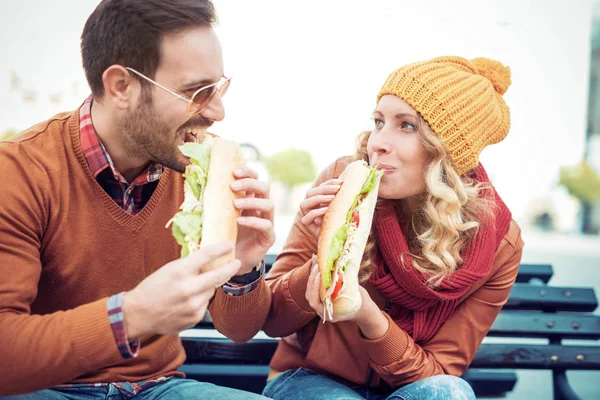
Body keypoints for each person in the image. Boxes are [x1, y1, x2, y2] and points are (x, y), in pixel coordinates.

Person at [0, 0, 274, 398]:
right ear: (121, 87)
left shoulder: (201, 166)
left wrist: (244, 268)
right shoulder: (22, 171)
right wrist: (132, 316)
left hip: (160, 388)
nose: (218, 111)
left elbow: (240, 329)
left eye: (219, 87)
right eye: (198, 91)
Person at [262, 56, 524, 400]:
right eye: (378, 121)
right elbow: (272, 321)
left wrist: (369, 318)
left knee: (451, 394)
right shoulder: (341, 180)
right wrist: (321, 259)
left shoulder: (499, 242)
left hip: (407, 389)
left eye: (407, 126)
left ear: (446, 154)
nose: (378, 142)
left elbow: (439, 374)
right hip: (307, 379)